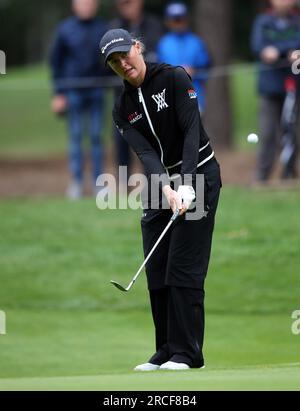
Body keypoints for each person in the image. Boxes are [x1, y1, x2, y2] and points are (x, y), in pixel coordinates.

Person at [99, 28, 222, 371]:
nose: (123, 63)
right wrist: (166, 188)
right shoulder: (122, 107)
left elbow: (191, 130)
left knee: (184, 264)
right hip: (160, 181)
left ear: (138, 47)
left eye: (125, 53)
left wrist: (187, 183)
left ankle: (188, 353)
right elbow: (145, 153)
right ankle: (166, 349)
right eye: (114, 61)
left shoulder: (173, 77)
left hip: (198, 169)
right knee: (157, 265)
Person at [50, 0, 108, 199]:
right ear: (74, 5)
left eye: (90, 2)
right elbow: (56, 63)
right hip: (73, 91)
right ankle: (76, 182)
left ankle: (98, 183)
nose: (86, 6)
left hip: (97, 91)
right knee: (75, 137)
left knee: (96, 136)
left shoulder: (103, 28)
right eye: (82, 2)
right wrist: (58, 93)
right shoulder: (65, 29)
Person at [110, 0, 164, 187]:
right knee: (122, 138)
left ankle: (152, 181)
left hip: (150, 92)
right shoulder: (115, 28)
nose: (126, 6)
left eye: (129, 2)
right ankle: (124, 183)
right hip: (123, 94)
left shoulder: (153, 25)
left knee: (150, 137)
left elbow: (158, 54)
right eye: (122, 3)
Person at [251, 0, 300, 182]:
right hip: (269, 88)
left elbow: (297, 43)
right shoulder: (263, 22)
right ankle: (262, 177)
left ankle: (289, 174)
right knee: (268, 133)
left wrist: (276, 51)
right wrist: (287, 51)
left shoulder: (297, 22)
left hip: (293, 88)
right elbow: (257, 47)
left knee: (293, 131)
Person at [157, 2, 211, 112]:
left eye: (180, 19)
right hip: (170, 98)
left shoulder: (196, 42)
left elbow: (206, 67)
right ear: (168, 21)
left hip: (195, 95)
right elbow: (157, 72)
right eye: (175, 19)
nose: (178, 22)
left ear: (186, 19)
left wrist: (194, 71)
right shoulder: (163, 44)